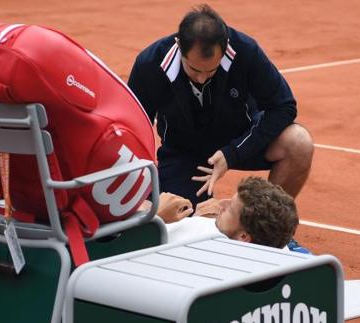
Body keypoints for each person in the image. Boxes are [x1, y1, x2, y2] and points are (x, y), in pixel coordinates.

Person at [128, 4, 313, 207]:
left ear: (225, 48)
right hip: (184, 150)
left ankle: (271, 233)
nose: (201, 77)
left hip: (241, 138)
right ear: (179, 45)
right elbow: (133, 129)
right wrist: (144, 193)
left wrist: (233, 153)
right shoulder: (150, 64)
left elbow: (283, 106)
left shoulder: (245, 50)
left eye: (211, 70)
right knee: (177, 217)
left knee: (299, 143)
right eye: (194, 68)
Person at [150, 177, 298, 249]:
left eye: (230, 208)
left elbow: (131, 245)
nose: (220, 204)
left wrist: (156, 217)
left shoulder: (191, 243)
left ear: (244, 236)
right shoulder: (279, 248)